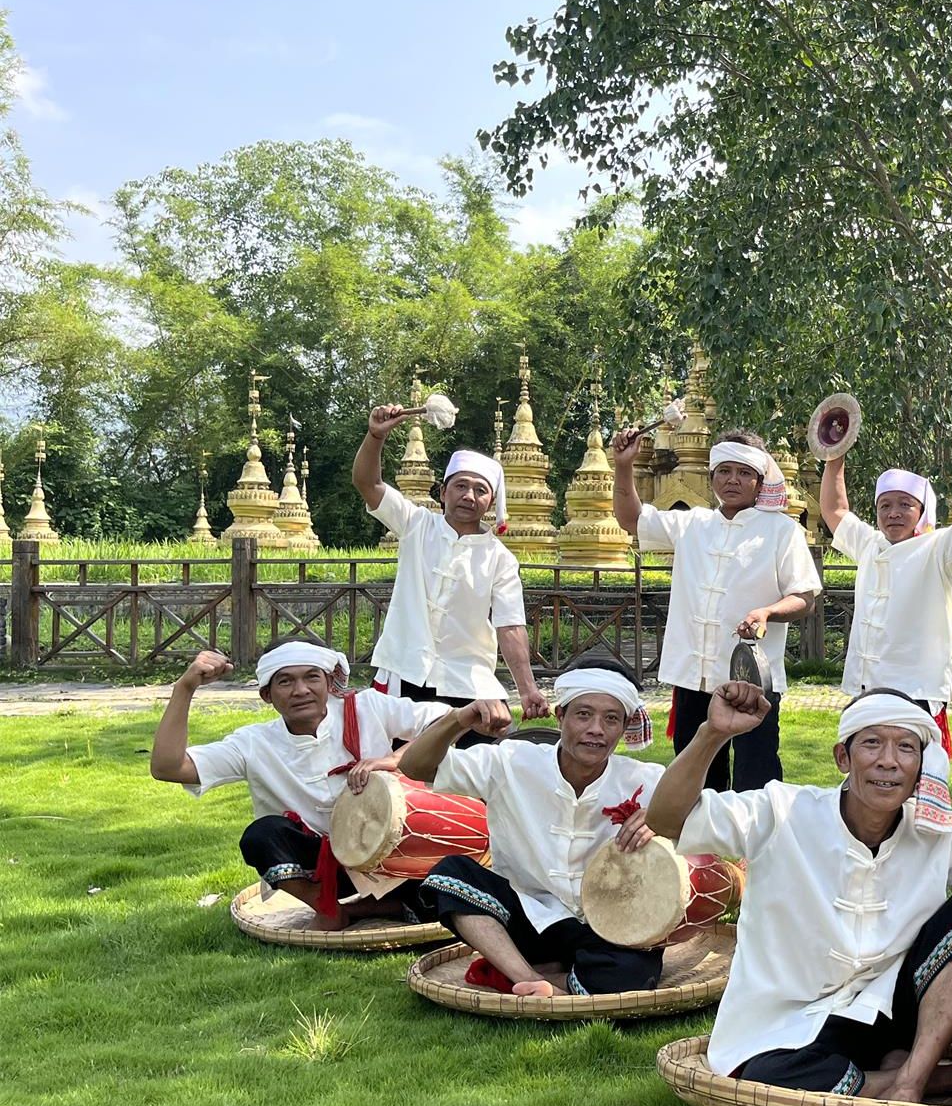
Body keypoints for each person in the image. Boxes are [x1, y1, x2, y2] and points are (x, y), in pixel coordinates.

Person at [646, 686, 952, 1102]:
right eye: (872, 744)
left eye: (906, 748)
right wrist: (712, 734)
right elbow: (667, 819)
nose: (889, 762)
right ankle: (939, 1079)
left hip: (892, 1014)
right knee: (763, 1077)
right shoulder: (781, 812)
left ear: (921, 765)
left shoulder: (937, 832)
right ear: (842, 757)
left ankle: (910, 1077)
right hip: (789, 1022)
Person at [401, 658, 668, 997]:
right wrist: (459, 719)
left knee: (635, 972)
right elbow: (414, 766)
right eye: (583, 714)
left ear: (624, 725)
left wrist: (661, 821)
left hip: (604, 927)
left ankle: (550, 978)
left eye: (611, 718)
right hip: (523, 921)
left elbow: (695, 822)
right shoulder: (511, 761)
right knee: (452, 874)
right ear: (561, 716)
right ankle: (527, 976)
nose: (596, 729)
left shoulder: (646, 781)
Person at [149, 640, 451, 928]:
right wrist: (185, 687)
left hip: (394, 854)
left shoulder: (366, 707)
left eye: (311, 677)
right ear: (267, 695)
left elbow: (446, 719)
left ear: (329, 682)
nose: (301, 690)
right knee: (262, 835)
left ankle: (364, 909)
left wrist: (395, 760)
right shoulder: (253, 743)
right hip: (320, 869)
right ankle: (327, 907)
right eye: (285, 682)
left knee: (449, 890)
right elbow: (168, 767)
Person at [609, 427, 821, 791]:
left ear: (759, 480)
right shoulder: (692, 523)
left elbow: (805, 596)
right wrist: (624, 466)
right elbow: (631, 519)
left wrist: (767, 612)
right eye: (724, 471)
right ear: (711, 478)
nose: (732, 480)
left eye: (743, 473)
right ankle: (699, 847)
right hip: (695, 676)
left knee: (757, 777)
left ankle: (754, 847)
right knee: (697, 777)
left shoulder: (782, 531)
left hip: (752, 679)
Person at [353, 403, 546, 744]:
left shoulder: (499, 559)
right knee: (397, 780)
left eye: (480, 490)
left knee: (474, 781)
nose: (469, 496)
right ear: (443, 493)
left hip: (468, 684)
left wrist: (527, 689)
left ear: (491, 502)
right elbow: (367, 482)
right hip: (404, 673)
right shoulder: (416, 525)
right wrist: (375, 436)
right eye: (460, 486)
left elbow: (510, 626)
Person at [817, 450, 952, 752]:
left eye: (905, 505)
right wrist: (835, 456)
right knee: (869, 774)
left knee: (916, 778)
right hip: (867, 687)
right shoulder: (869, 543)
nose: (894, 513)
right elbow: (834, 509)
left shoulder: (938, 547)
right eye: (885, 505)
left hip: (916, 689)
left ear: (922, 511)